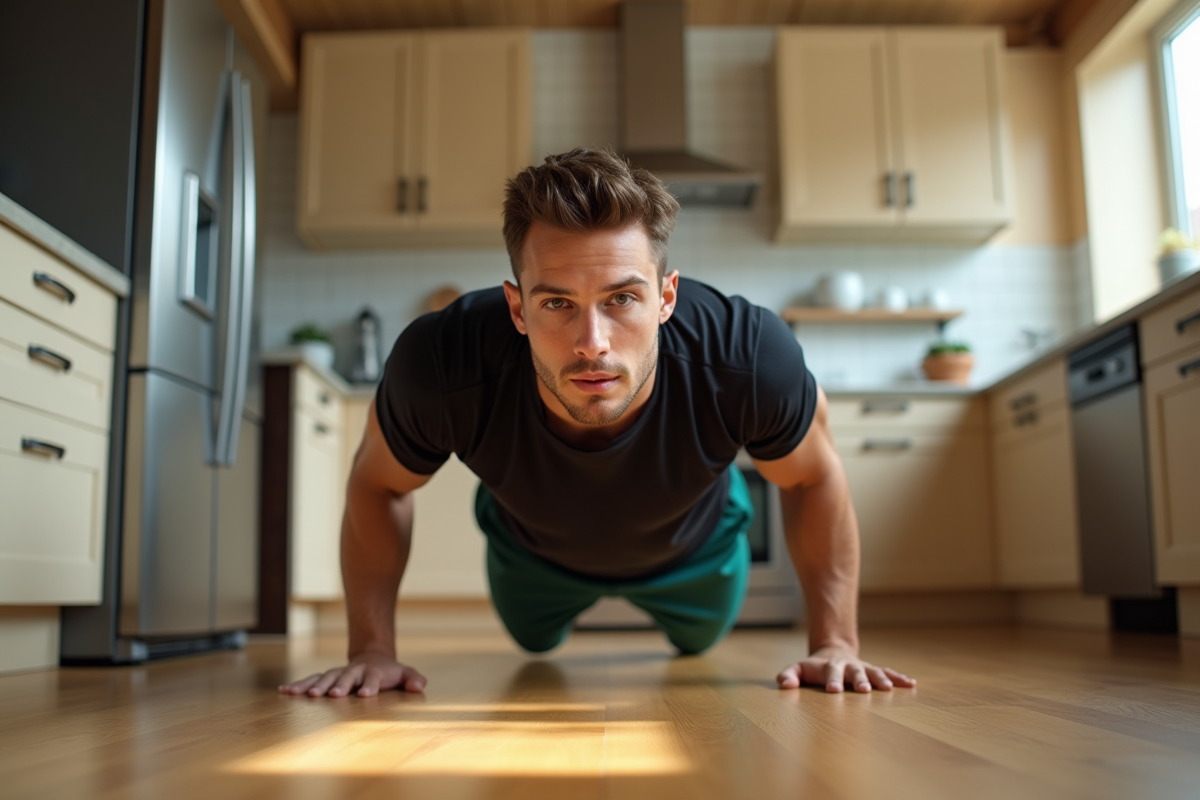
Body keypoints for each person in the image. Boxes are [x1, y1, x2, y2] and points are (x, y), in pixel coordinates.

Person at [280, 148, 915, 699]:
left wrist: (836, 643)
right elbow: (377, 483)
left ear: (666, 297)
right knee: (533, 641)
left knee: (698, 645)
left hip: (696, 552)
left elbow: (812, 477)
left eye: (622, 299)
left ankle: (724, 501)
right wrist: (370, 651)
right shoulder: (441, 362)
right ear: (517, 307)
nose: (593, 343)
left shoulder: (747, 355)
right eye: (557, 302)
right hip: (531, 556)